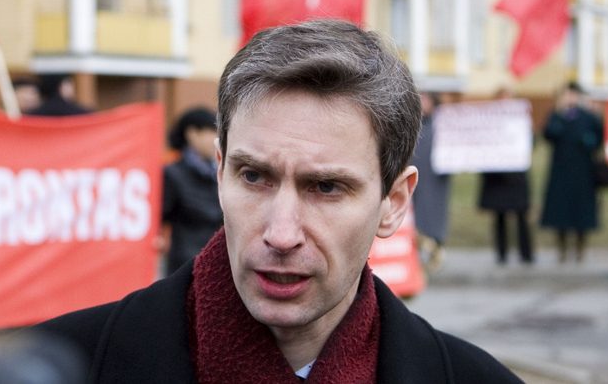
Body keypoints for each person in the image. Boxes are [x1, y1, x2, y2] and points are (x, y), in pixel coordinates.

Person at [36, 20, 522, 383]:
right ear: (220, 172)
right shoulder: (54, 365)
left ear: (393, 202)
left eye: (326, 187)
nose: (281, 234)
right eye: (254, 176)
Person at [540, 81, 603, 263]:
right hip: (561, 171)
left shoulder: (588, 117)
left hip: (583, 172)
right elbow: (548, 134)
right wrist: (559, 115)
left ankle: (580, 249)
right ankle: (562, 249)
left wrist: (590, 136)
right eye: (567, 94)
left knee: (581, 212)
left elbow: (598, 139)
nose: (570, 98)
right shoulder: (557, 115)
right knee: (560, 212)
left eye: (573, 94)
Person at [160, 107, 223, 275]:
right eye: (211, 132)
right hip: (185, 266)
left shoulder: (219, 172)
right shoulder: (173, 173)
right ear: (192, 134)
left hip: (217, 262)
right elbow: (160, 216)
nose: (217, 139)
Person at [478, 89, 533, 265]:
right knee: (499, 217)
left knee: (521, 216)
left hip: (516, 177)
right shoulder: (488, 124)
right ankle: (501, 254)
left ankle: (526, 254)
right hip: (497, 178)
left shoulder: (521, 122)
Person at [410, 90, 450, 270]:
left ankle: (435, 248)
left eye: (425, 99)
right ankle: (419, 251)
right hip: (416, 178)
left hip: (435, 180)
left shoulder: (443, 125)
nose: (422, 103)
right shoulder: (413, 125)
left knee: (433, 213)